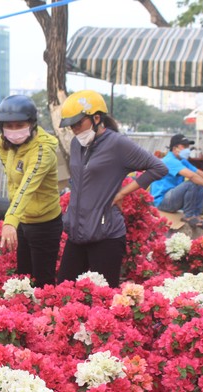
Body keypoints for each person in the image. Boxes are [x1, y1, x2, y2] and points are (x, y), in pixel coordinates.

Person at [57, 90, 168, 288]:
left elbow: (158, 168)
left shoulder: (118, 144)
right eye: (71, 126)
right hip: (77, 232)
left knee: (103, 299)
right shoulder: (76, 144)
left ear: (96, 118)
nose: (74, 129)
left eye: (78, 123)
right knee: (64, 290)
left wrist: (122, 193)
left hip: (106, 235)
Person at [0, 95, 63, 288]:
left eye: (20, 125)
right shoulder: (3, 143)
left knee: (42, 283)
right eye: (9, 126)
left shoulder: (42, 152)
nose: (14, 131)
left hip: (44, 224)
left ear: (32, 123)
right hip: (24, 220)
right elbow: (11, 175)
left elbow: (26, 187)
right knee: (23, 279)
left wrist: (10, 221)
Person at [150, 134, 203, 227]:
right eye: (184, 146)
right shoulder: (169, 160)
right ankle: (189, 216)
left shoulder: (182, 161)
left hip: (173, 198)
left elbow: (198, 173)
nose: (187, 149)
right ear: (175, 148)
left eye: (188, 147)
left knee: (200, 184)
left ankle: (197, 215)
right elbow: (191, 176)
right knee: (192, 183)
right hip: (162, 202)